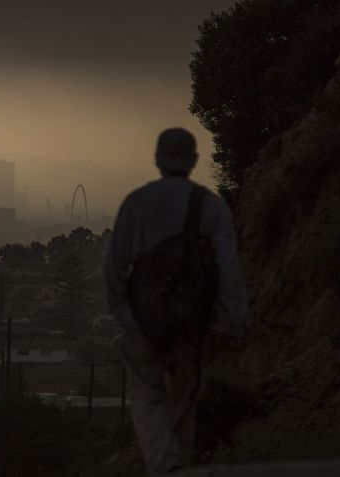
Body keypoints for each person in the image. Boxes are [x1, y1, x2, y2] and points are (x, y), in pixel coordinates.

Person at [105, 127, 248, 474]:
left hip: (143, 322)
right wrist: (232, 323)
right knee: (183, 401)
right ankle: (178, 466)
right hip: (189, 323)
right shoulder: (211, 207)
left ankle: (166, 465)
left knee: (147, 399)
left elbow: (113, 267)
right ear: (194, 161)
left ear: (157, 160)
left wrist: (124, 314)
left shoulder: (136, 203)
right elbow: (229, 270)